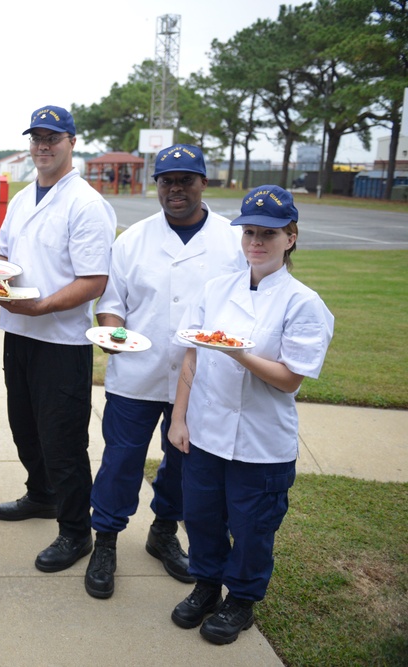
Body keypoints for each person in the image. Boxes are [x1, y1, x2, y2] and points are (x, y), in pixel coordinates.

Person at [167, 185, 334, 645]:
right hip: (205, 431)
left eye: (268, 233)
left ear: (291, 237)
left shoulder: (303, 303)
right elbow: (191, 358)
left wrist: (237, 354)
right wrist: (180, 419)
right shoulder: (217, 289)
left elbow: (289, 379)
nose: (256, 242)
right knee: (201, 516)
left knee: (252, 527)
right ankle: (205, 585)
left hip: (261, 442)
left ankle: (240, 599)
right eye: (249, 233)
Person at [84, 144, 249, 599]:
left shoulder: (232, 242)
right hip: (138, 374)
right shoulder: (133, 239)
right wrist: (113, 336)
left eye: (185, 180)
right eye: (166, 180)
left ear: (203, 183)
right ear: (155, 185)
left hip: (200, 382)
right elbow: (112, 305)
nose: (175, 189)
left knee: (182, 466)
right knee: (120, 462)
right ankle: (107, 541)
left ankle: (162, 532)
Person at [0, 105, 117, 572]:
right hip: (18, 332)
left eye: (53, 138)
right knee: (25, 428)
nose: (43, 146)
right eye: (37, 138)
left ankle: (74, 531)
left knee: (62, 439)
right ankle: (41, 495)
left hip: (61, 342)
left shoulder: (85, 204)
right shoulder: (25, 198)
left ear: (72, 142)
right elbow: (3, 251)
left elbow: (94, 280)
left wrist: (41, 305)